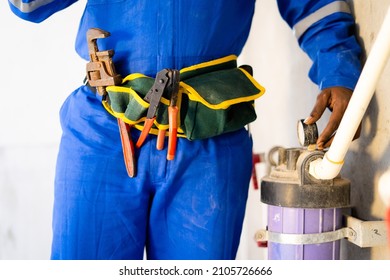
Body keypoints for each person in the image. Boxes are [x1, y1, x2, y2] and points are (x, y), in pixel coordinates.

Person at [8, 0, 362, 260]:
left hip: (208, 137)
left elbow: (315, 4)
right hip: (105, 130)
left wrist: (339, 70)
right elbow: (27, 5)